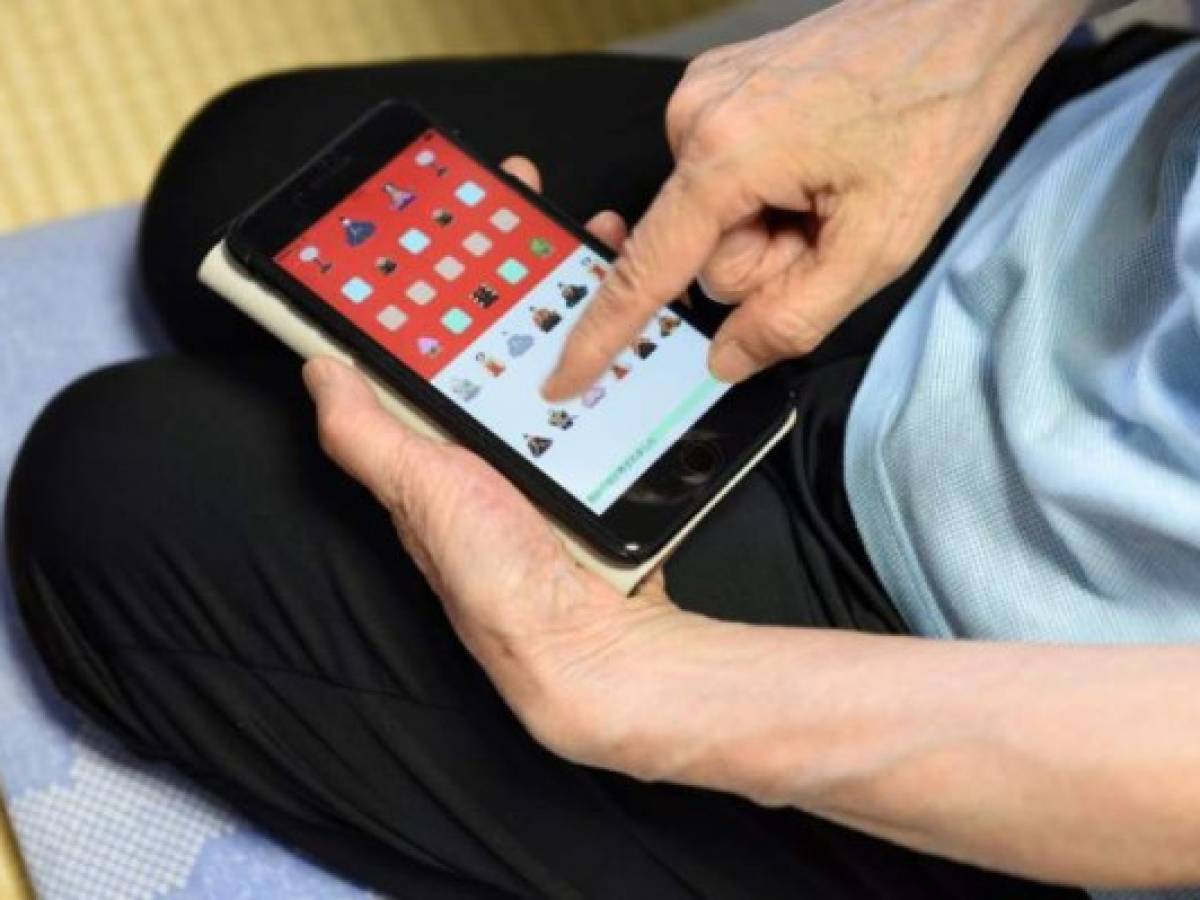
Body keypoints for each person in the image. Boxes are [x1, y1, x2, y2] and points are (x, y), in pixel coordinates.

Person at [6, 2, 1200, 897]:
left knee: (102, 491)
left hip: (1003, 681)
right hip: (1077, 186)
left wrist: (641, 688)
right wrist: (959, 44)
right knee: (252, 182)